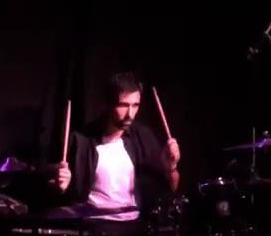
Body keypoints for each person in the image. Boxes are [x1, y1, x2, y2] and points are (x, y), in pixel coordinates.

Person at [51, 71, 181, 221]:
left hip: (134, 223)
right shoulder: (81, 140)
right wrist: (61, 187)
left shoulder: (143, 137)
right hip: (94, 224)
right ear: (107, 104)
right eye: (123, 105)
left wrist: (170, 168)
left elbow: (172, 187)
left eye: (135, 105)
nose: (130, 114)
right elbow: (57, 192)